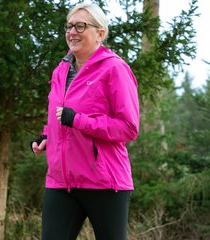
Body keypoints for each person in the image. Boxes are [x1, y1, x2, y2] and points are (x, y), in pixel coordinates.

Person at [31, 2, 140, 240]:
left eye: (80, 26)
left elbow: (129, 128)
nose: (72, 32)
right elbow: (58, 115)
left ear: (100, 33)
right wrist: (47, 135)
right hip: (61, 181)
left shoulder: (115, 69)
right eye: (69, 26)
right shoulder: (61, 69)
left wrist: (79, 121)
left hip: (104, 182)